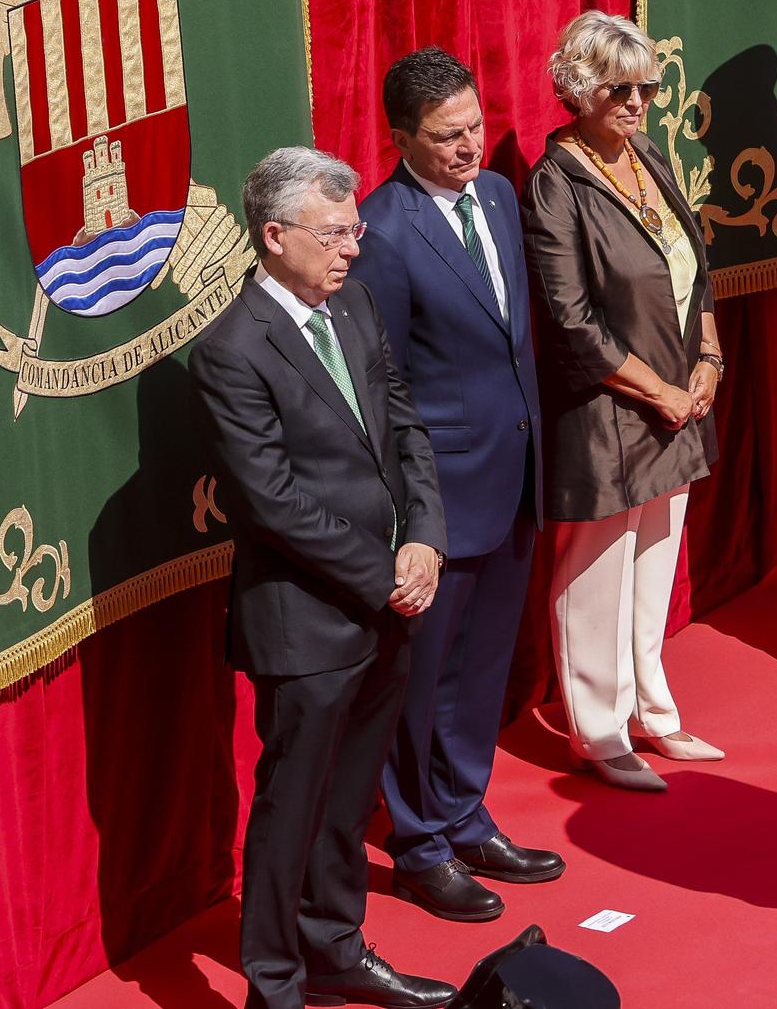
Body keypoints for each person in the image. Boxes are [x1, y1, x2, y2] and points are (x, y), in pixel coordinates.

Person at [190, 147, 455, 1009]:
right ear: (274, 236)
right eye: (334, 232)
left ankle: (336, 947)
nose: (351, 248)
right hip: (306, 621)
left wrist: (426, 536)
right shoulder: (232, 349)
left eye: (355, 230)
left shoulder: (355, 307)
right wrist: (383, 572)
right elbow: (270, 500)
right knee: (293, 807)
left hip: (388, 603)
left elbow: (403, 423)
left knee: (346, 804)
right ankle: (274, 981)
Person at [354, 47, 563, 922]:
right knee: (424, 676)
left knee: (478, 669)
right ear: (402, 137)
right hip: (439, 496)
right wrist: (414, 512)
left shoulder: (501, 198)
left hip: (515, 474)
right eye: (446, 137)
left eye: (475, 127)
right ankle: (419, 843)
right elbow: (385, 385)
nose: (469, 146)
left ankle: (464, 810)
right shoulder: (384, 232)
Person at [523, 11, 723, 790]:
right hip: (610, 407)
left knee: (655, 564)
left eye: (647, 87)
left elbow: (692, 266)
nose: (638, 103)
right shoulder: (554, 182)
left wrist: (707, 356)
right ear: (579, 90)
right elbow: (572, 322)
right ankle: (597, 729)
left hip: (676, 397)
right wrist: (660, 389)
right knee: (596, 573)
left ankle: (654, 710)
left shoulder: (646, 151)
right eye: (620, 89)